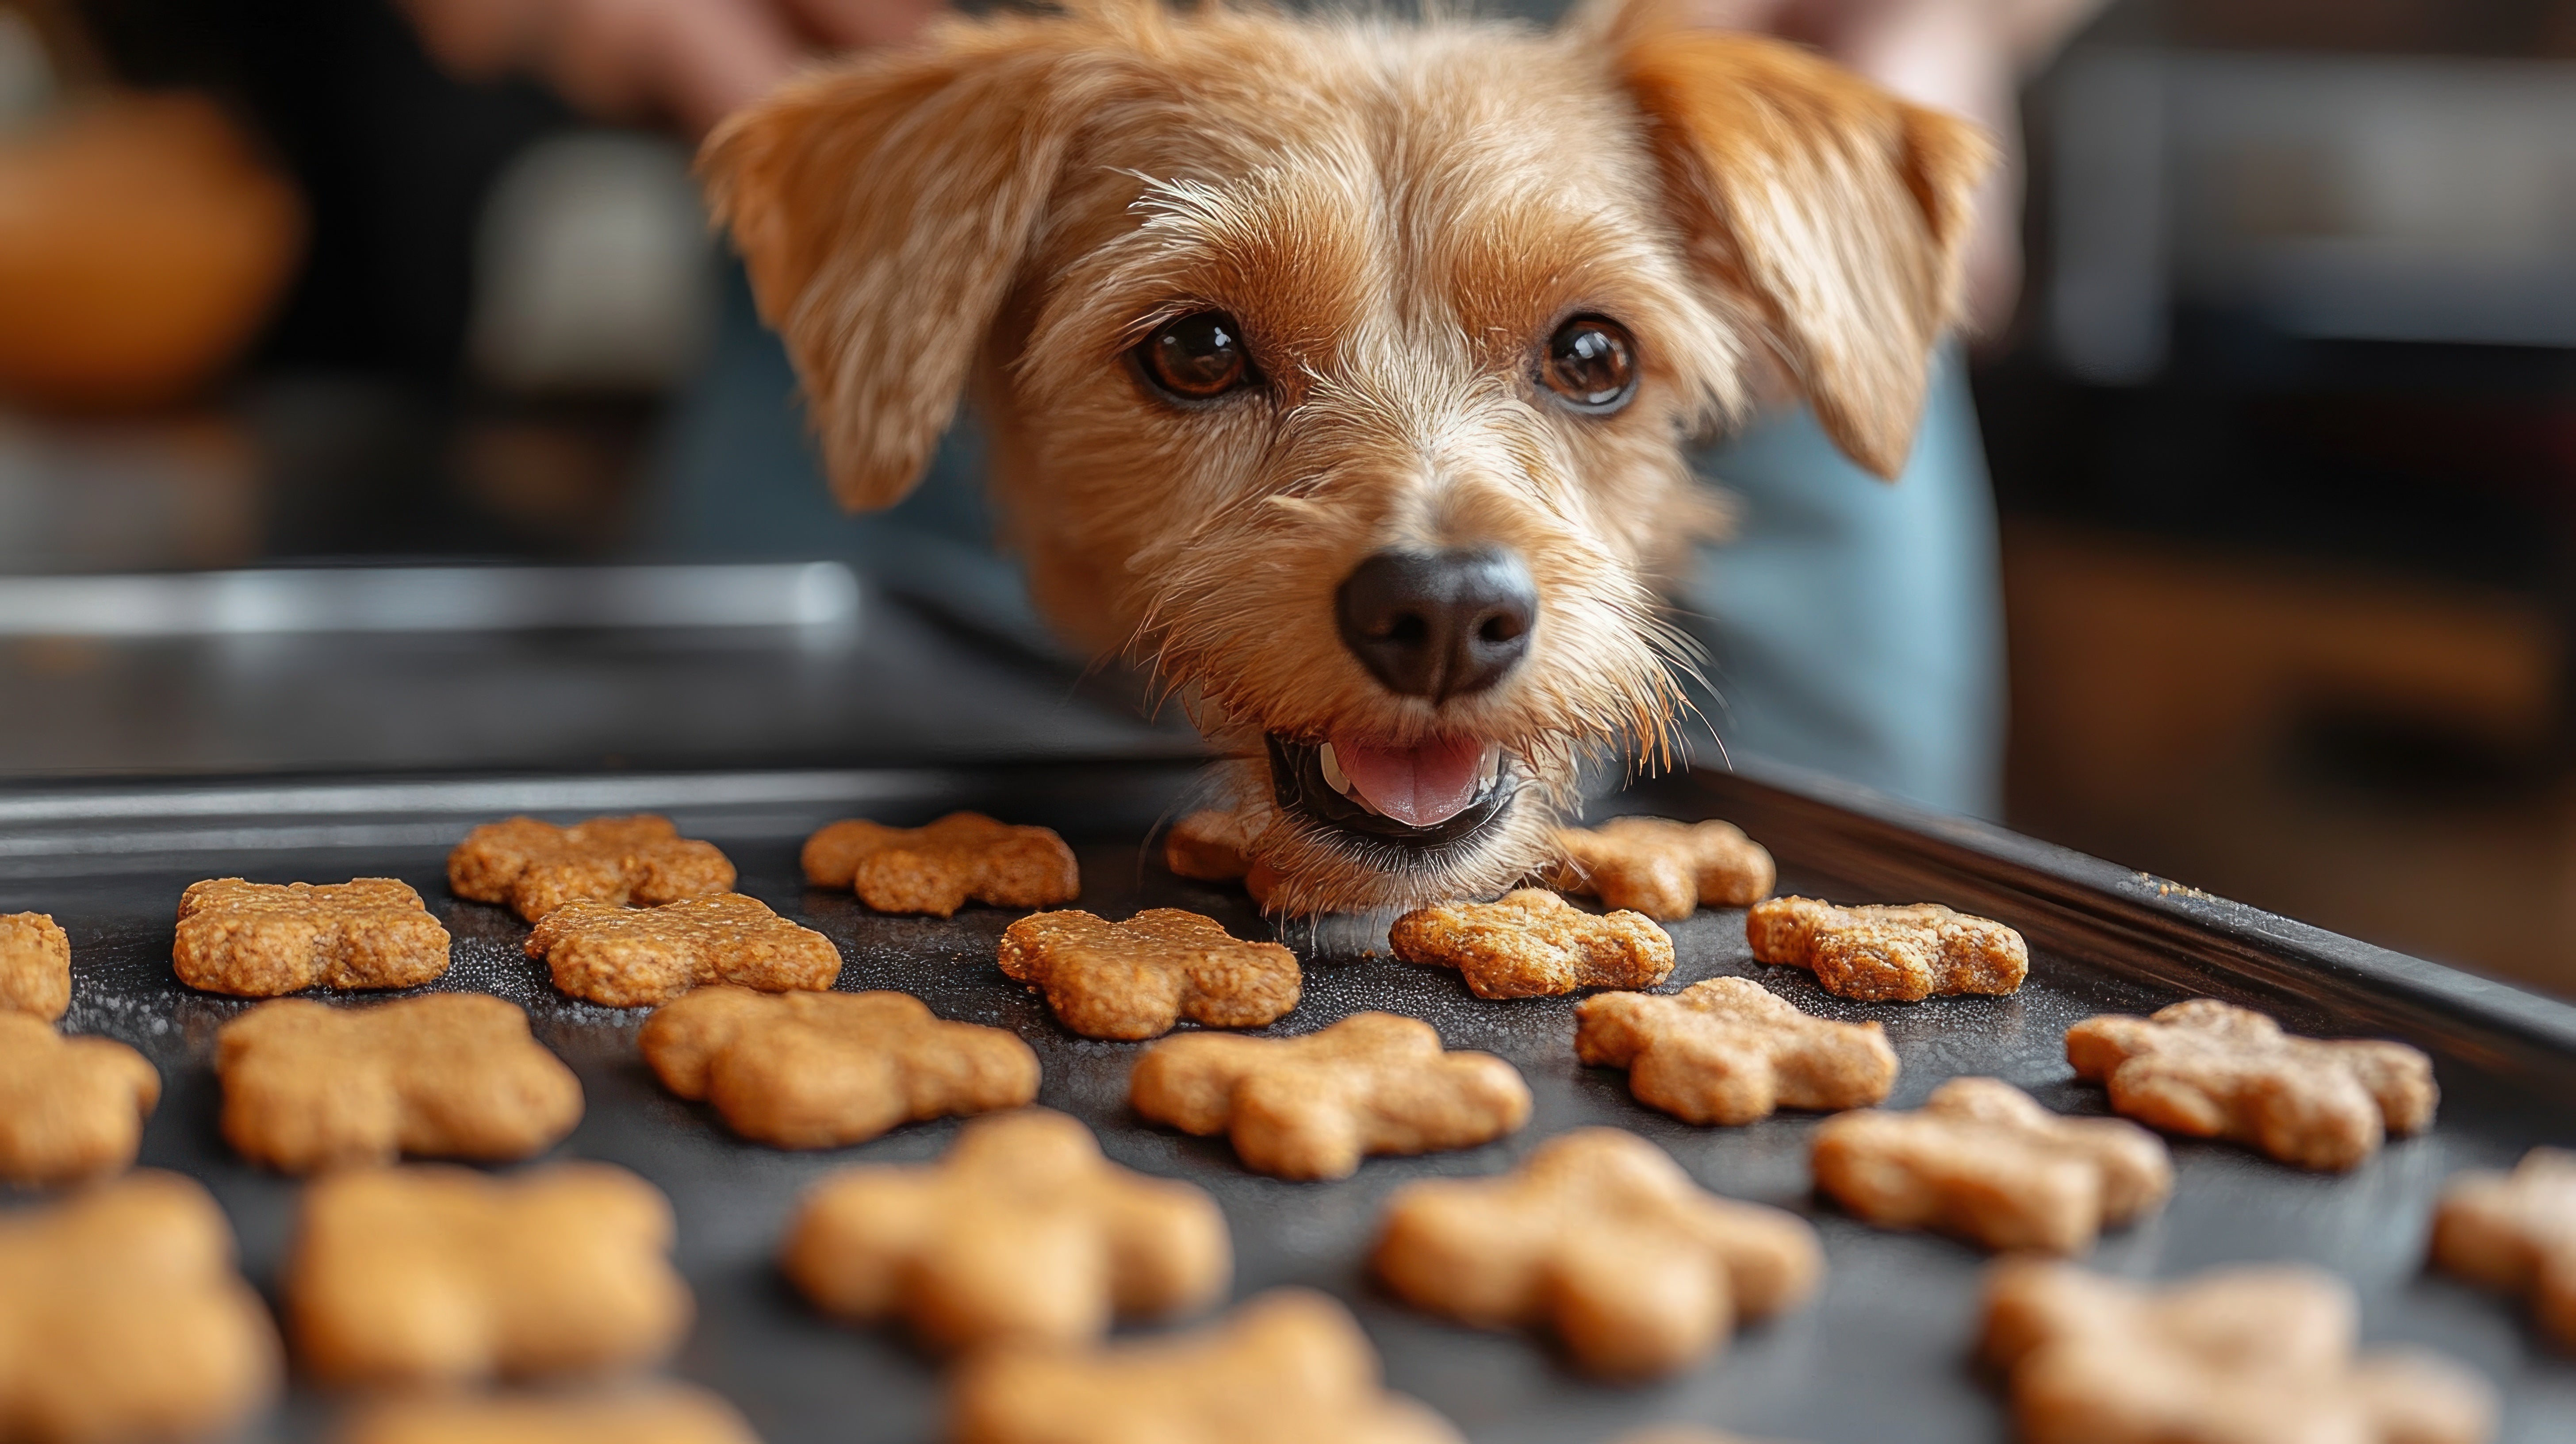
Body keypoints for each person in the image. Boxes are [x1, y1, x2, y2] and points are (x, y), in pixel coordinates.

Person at [400, 0, 2106, 818]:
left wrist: (1938, 25)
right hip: (937, 178)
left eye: (1588, 357)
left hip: (1741, 132)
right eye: (1203, 353)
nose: (1441, 569)